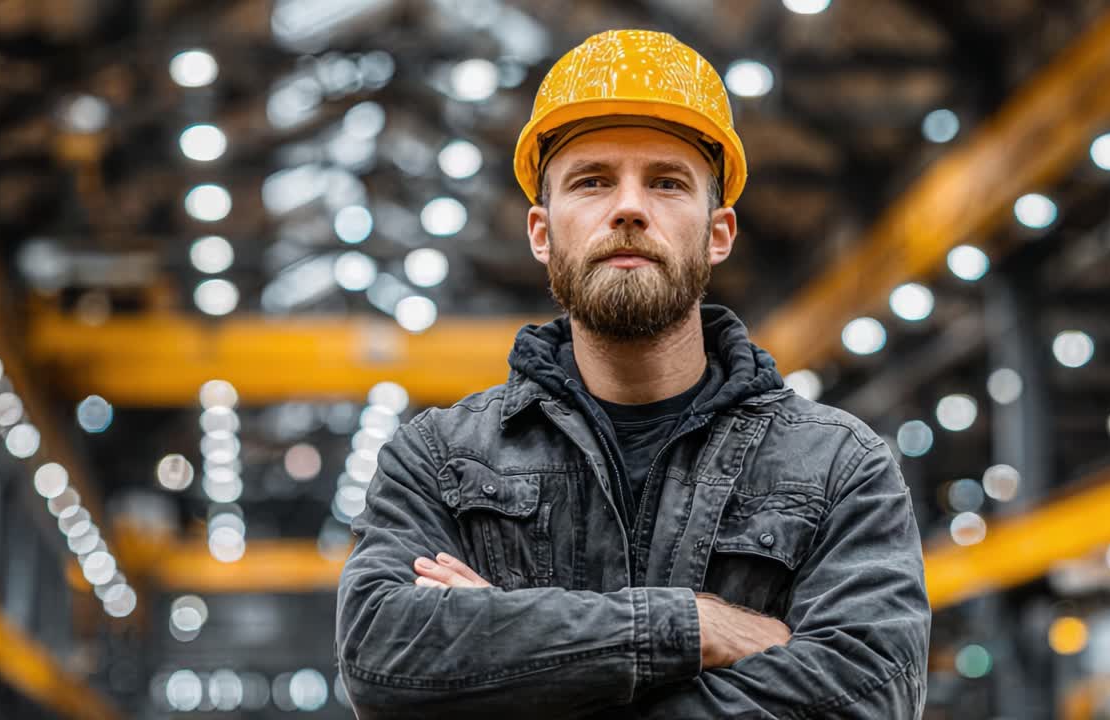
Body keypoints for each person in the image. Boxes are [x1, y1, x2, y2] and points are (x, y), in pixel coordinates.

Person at [336, 29, 930, 719]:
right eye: (591, 181)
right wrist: (693, 626)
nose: (628, 207)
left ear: (718, 233)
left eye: (667, 183)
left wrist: (519, 662)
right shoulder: (438, 459)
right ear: (540, 232)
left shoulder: (838, 468)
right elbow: (382, 659)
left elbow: (866, 697)